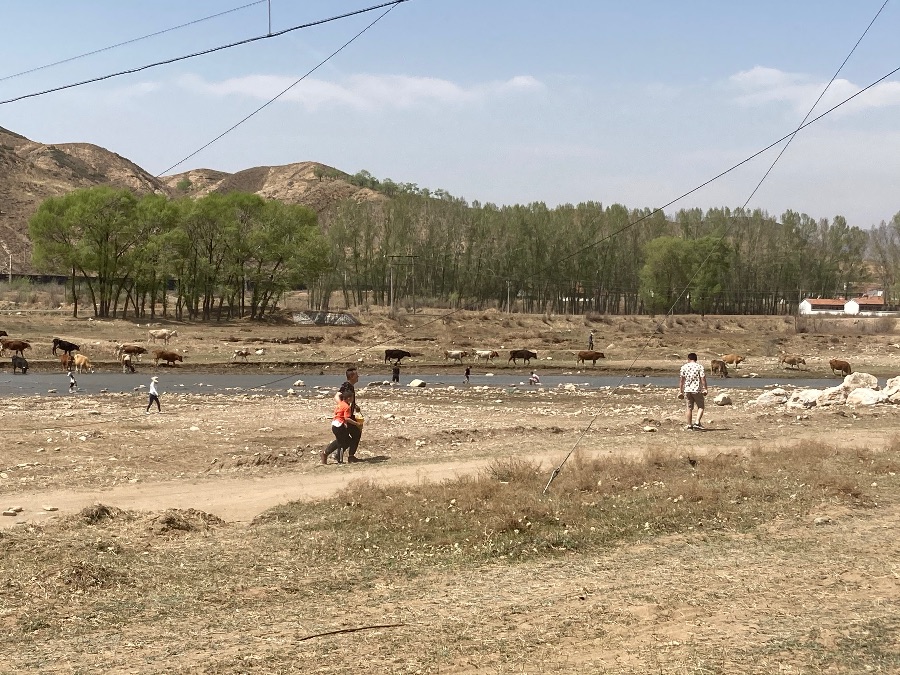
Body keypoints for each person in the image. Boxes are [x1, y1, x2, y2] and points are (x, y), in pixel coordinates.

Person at [321, 391, 361, 464]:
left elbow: (338, 414)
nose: (353, 399)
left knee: (346, 441)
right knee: (342, 443)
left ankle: (328, 454)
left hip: (335, 424)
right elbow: (347, 418)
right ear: (348, 398)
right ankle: (339, 460)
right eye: (352, 397)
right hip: (339, 426)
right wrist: (356, 423)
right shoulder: (347, 407)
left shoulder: (340, 404)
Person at [334, 366, 363, 462]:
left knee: (351, 435)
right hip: (346, 416)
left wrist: (354, 406)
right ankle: (348, 456)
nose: (358, 376)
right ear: (352, 377)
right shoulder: (346, 385)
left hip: (348, 414)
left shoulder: (350, 386)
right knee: (353, 434)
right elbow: (337, 396)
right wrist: (343, 407)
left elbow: (347, 399)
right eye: (356, 375)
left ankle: (349, 456)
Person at [679, 352, 708, 430]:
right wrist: (705, 388)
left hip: (687, 390)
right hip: (697, 389)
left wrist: (680, 390)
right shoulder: (699, 367)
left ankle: (689, 425)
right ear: (696, 359)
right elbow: (703, 378)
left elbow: (682, 380)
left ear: (688, 359)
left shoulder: (684, 367)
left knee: (689, 408)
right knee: (701, 406)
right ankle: (697, 422)